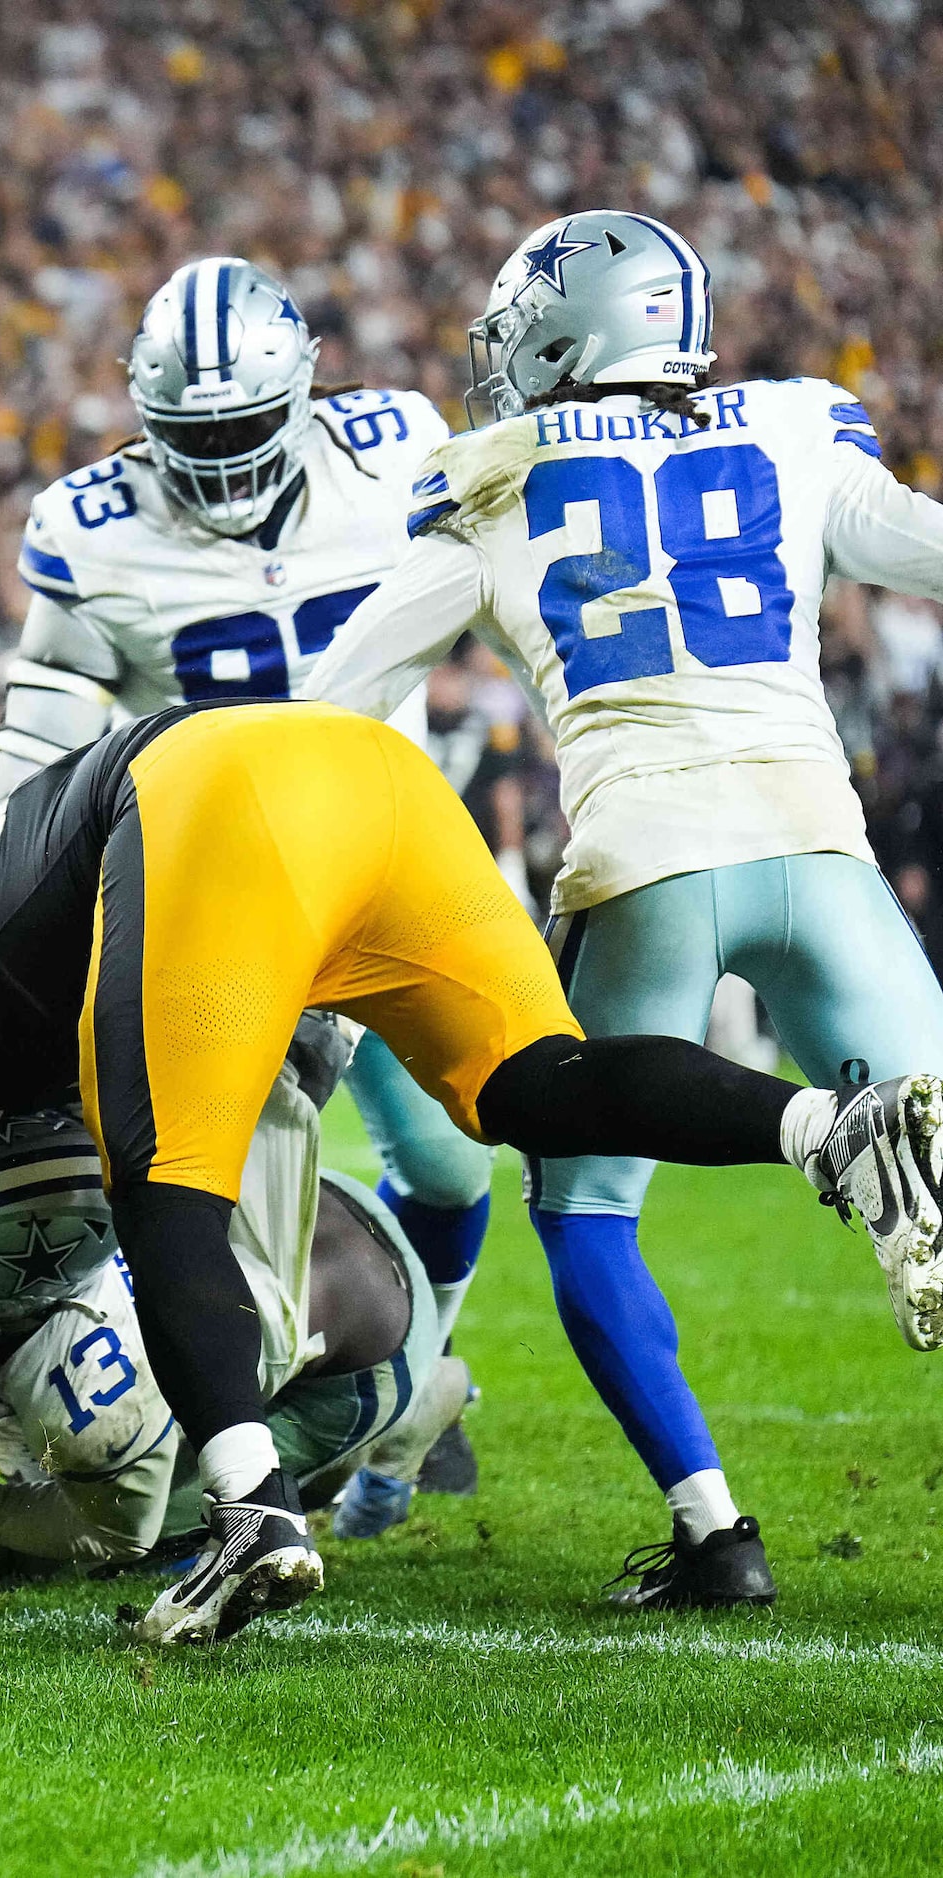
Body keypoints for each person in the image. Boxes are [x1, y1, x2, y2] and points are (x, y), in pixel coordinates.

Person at [0, 696, 943, 1646]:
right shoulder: (15, 931)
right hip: (376, 774)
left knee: (161, 1188)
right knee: (537, 1083)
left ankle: (255, 1517)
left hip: (218, 798)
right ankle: (832, 1128)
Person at [308, 209, 943, 1604]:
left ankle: (714, 1533)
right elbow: (917, 548)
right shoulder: (789, 422)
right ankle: (885, 1149)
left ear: (567, 327)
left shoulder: (486, 470)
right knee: (941, 1137)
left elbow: (338, 695)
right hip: (820, 845)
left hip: (646, 858)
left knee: (585, 1207)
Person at [0, 258, 497, 1540]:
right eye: (190, 438)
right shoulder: (91, 525)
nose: (216, 464)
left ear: (308, 393)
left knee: (451, 1146)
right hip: (210, 884)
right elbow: (44, 726)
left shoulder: (401, 449)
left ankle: (404, 1385)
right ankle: (288, 1417)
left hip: (385, 849)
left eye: (241, 431)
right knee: (218, 1178)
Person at [0, 1025, 459, 1584]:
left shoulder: (96, 1371)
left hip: (369, 1357)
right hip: (324, 1222)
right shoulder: (70, 1138)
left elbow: (108, 1536)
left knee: (173, 1528)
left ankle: (400, 1429)